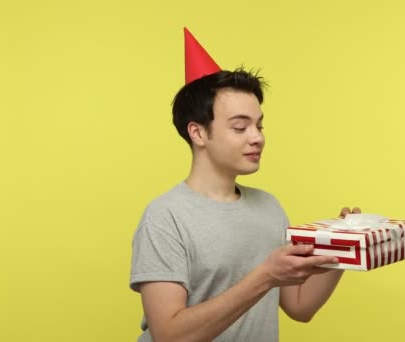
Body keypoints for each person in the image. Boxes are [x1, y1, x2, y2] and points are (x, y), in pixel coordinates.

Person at [130, 28, 360, 342]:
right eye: (240, 127)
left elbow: (300, 307)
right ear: (198, 133)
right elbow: (170, 335)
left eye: (259, 125)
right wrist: (265, 276)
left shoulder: (269, 207)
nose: (257, 137)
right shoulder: (164, 217)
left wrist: (342, 248)